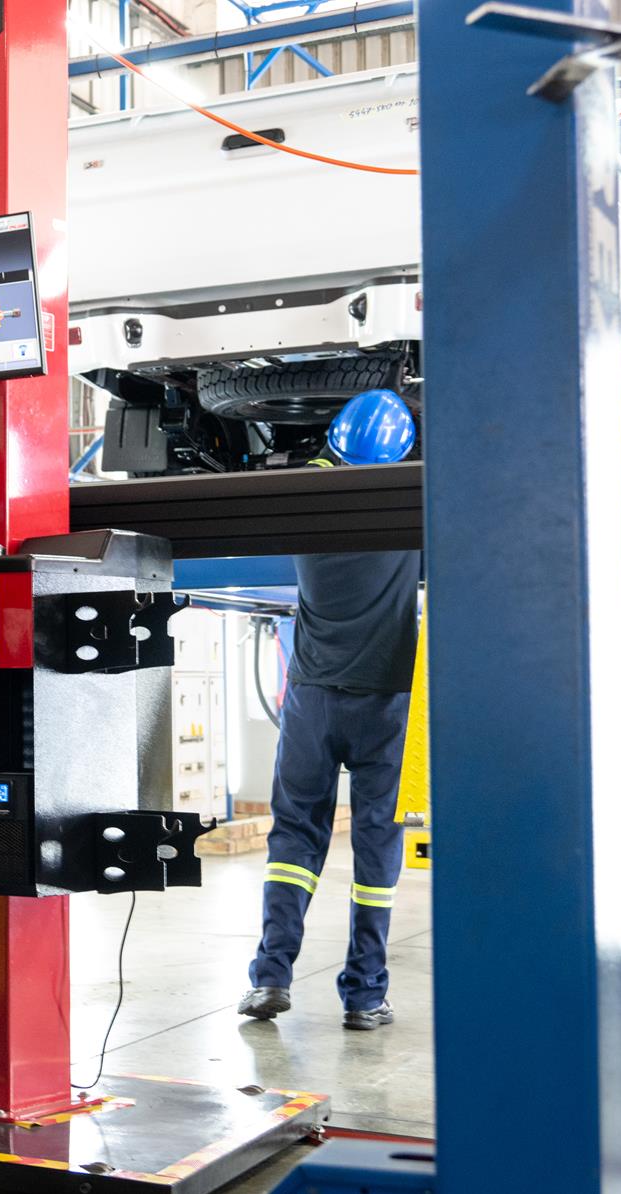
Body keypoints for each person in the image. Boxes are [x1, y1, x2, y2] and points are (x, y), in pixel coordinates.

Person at [237, 391, 421, 1032]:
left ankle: (270, 978)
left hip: (313, 700)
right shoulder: (409, 505)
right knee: (376, 851)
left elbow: (309, 467)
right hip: (387, 705)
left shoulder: (307, 503)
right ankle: (365, 996)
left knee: (294, 839)